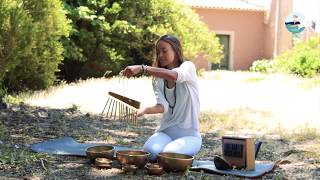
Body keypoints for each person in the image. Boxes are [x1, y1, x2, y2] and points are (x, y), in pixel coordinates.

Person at [121, 34, 202, 161]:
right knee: (150, 153)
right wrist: (143, 110)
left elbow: (175, 76)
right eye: (158, 52)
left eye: (164, 51)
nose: (160, 55)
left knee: (167, 155)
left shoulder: (188, 67)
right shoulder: (158, 79)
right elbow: (163, 106)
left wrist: (143, 68)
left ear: (176, 50)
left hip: (190, 136)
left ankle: (178, 152)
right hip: (166, 132)